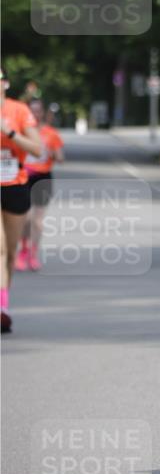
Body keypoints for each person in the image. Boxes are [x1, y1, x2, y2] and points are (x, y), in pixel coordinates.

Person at [0, 67, 42, 333]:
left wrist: (10, 133)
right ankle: (0, 309)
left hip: (15, 185)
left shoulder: (18, 111)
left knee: (11, 253)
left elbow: (37, 149)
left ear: (5, 83)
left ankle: (4, 301)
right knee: (0, 250)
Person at [15, 98, 65, 272]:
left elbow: (61, 159)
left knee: (38, 221)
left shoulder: (50, 133)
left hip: (43, 178)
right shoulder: (20, 131)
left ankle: (33, 253)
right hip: (23, 177)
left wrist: (51, 153)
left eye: (38, 110)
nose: (35, 114)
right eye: (32, 111)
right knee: (25, 218)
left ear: (42, 112)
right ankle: (23, 249)